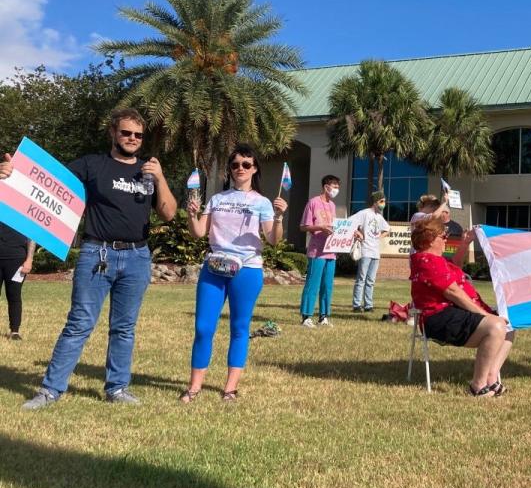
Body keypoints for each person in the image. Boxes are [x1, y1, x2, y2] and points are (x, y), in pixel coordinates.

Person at [4, 108, 177, 409]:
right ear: (113, 132)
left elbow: (169, 212)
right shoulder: (92, 165)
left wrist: (160, 178)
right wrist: (12, 175)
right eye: (126, 132)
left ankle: (118, 389)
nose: (132, 139)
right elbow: (47, 183)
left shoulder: (149, 172)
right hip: (98, 254)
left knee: (124, 327)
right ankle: (50, 390)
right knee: (79, 323)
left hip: (137, 257)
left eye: (138, 135)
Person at [179, 144, 286, 403]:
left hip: (247, 270)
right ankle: (194, 388)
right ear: (230, 168)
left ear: (254, 169)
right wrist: (192, 216)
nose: (240, 169)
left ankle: (230, 388)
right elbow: (199, 233)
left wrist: (280, 217)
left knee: (239, 328)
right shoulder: (217, 199)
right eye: (236, 164)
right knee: (204, 328)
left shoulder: (262, 202)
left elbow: (273, 239)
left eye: (246, 164)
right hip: (214, 268)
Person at [409, 217, 514, 397]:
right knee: (496, 326)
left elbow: (455, 268)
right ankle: (477, 386)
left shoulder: (437, 260)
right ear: (430, 239)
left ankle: (491, 378)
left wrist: (465, 243)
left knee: (510, 326)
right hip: (439, 318)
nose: (446, 240)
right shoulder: (426, 261)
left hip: (453, 312)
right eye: (443, 236)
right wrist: (484, 315)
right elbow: (453, 292)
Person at [299, 174, 340, 327]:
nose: (336, 189)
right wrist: (320, 227)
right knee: (313, 283)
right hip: (317, 251)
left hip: (331, 250)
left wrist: (350, 233)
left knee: (327, 285)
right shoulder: (313, 202)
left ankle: (323, 316)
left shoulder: (333, 205)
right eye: (334, 186)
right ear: (326, 187)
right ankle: (306, 316)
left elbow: (336, 227)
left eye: (338, 187)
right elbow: (304, 226)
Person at [351, 191, 391, 313]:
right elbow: (350, 223)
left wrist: (379, 237)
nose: (384, 204)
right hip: (365, 251)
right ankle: (357, 305)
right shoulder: (364, 213)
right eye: (381, 201)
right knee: (361, 279)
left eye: (384, 201)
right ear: (375, 202)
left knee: (371, 280)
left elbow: (388, 229)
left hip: (375, 252)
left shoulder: (379, 217)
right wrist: (358, 233)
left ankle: (368, 305)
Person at [0, 221, 35, 340]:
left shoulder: (23, 210)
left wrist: (29, 259)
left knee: (14, 295)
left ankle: (14, 331)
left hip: (17, 259)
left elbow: (32, 236)